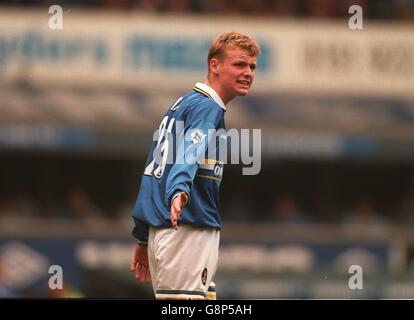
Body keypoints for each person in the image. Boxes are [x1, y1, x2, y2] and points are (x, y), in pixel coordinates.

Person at [130, 31, 260, 300]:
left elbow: (154, 170)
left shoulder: (185, 103)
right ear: (215, 65)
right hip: (185, 231)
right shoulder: (207, 107)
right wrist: (180, 190)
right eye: (239, 64)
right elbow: (188, 155)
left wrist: (144, 236)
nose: (248, 72)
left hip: (173, 230)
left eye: (252, 66)